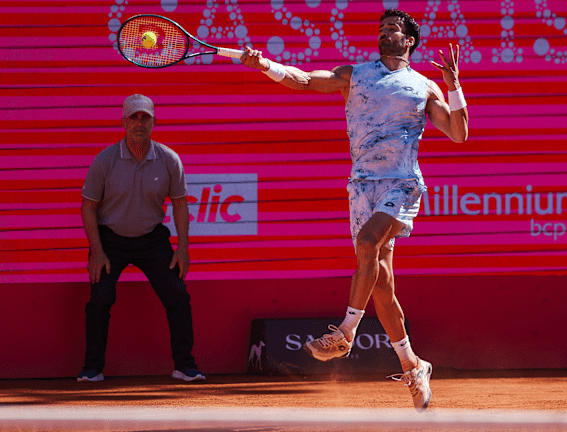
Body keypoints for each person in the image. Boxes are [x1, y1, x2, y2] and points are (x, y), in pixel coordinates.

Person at [240, 9, 468, 411]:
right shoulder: (355, 74)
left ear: (409, 41)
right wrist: (265, 65)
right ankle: (413, 365)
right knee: (381, 283)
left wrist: (453, 87)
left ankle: (344, 334)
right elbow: (307, 80)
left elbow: (458, 133)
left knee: (367, 242)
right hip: (361, 185)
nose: (384, 34)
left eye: (392, 30)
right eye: (381, 29)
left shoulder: (423, 86)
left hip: (402, 182)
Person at [77, 94, 205, 383]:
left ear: (154, 122)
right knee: (100, 298)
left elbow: (180, 202)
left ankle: (185, 365)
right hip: (110, 240)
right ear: (123, 122)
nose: (139, 123)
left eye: (144, 117)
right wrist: (97, 251)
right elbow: (88, 206)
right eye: (133, 117)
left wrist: (182, 249)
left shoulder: (169, 158)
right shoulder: (105, 160)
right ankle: (92, 368)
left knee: (178, 295)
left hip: (152, 240)